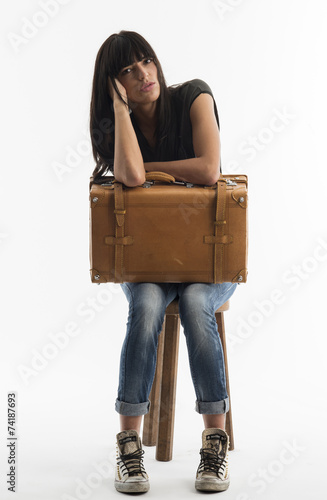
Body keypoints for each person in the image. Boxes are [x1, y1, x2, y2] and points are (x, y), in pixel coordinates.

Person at [89, 30, 237, 494]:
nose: (143, 75)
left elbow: (210, 169)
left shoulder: (194, 97)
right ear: (115, 85)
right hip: (148, 264)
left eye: (146, 61)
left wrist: (154, 173)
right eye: (127, 72)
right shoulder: (120, 125)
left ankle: (214, 441)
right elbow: (128, 175)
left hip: (206, 263)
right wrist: (119, 109)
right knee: (148, 306)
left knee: (196, 304)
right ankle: (129, 445)